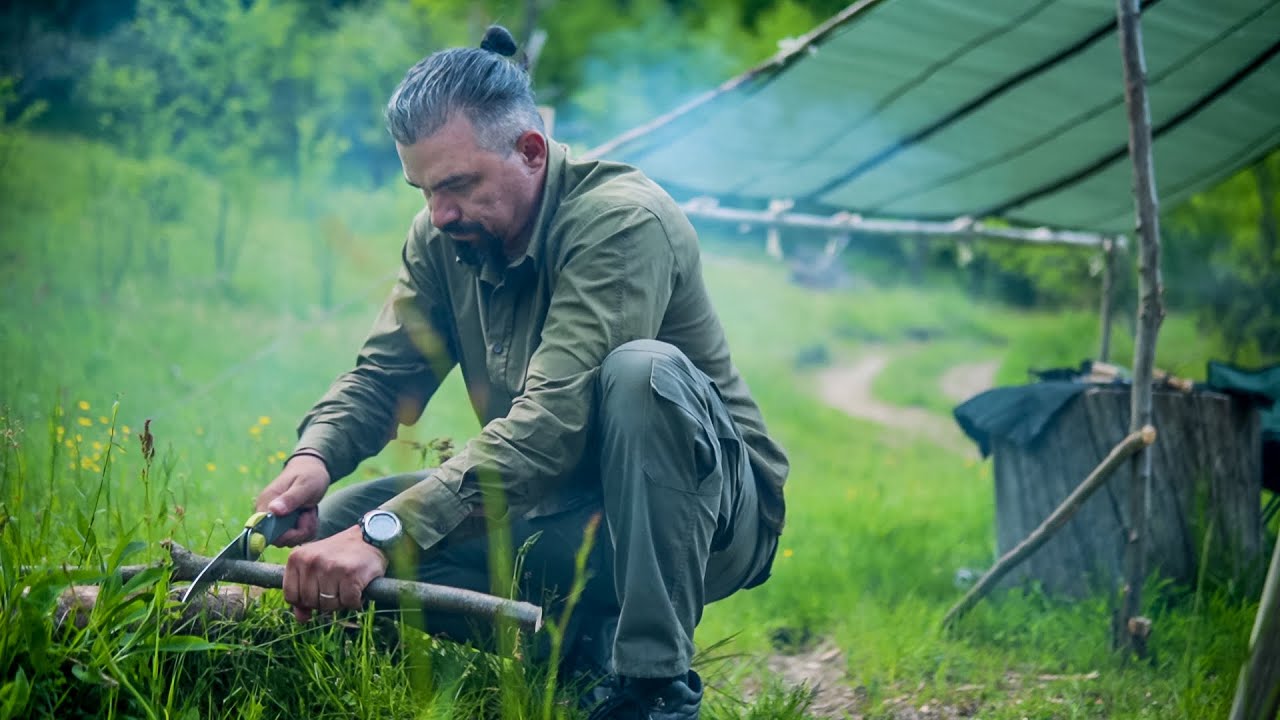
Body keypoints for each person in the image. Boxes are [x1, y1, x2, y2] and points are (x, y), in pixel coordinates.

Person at [253, 25, 788, 720]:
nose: (439, 213)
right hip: (557, 503)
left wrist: (388, 533)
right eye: (422, 190)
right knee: (336, 539)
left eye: (457, 185)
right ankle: (569, 647)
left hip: (705, 517)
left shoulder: (620, 223)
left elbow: (552, 426)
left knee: (640, 372)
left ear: (531, 151)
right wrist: (315, 454)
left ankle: (653, 685)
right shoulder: (446, 234)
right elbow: (386, 375)